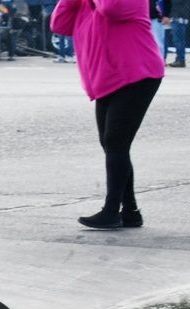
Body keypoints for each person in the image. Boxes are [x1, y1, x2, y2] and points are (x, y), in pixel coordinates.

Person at [52, 0, 164, 229]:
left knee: (115, 142)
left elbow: (112, 8)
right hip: (107, 79)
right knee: (112, 144)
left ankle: (112, 211)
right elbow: (59, 23)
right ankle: (130, 211)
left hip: (137, 74)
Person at [169, 0, 188, 65]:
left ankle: (180, 60)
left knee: (178, 40)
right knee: (178, 40)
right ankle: (179, 59)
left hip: (179, 17)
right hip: (179, 16)